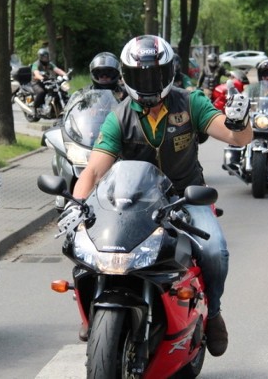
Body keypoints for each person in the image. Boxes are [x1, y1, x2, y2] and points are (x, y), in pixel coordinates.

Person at [62, 35, 253, 357]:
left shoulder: (191, 102)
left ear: (168, 73)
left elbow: (236, 137)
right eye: (140, 76)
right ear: (127, 76)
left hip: (185, 197)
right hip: (133, 201)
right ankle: (93, 315)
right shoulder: (119, 116)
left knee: (214, 250)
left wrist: (241, 121)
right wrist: (75, 205)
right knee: (87, 249)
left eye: (154, 74)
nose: (148, 82)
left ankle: (215, 314)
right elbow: (93, 171)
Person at [31, 47, 68, 114]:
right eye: (44, 57)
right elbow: (36, 73)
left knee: (58, 90)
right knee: (41, 92)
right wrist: (41, 78)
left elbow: (57, 69)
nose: (46, 58)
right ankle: (34, 108)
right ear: (40, 57)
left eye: (47, 56)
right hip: (37, 83)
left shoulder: (49, 63)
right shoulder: (36, 64)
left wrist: (65, 75)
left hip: (47, 81)